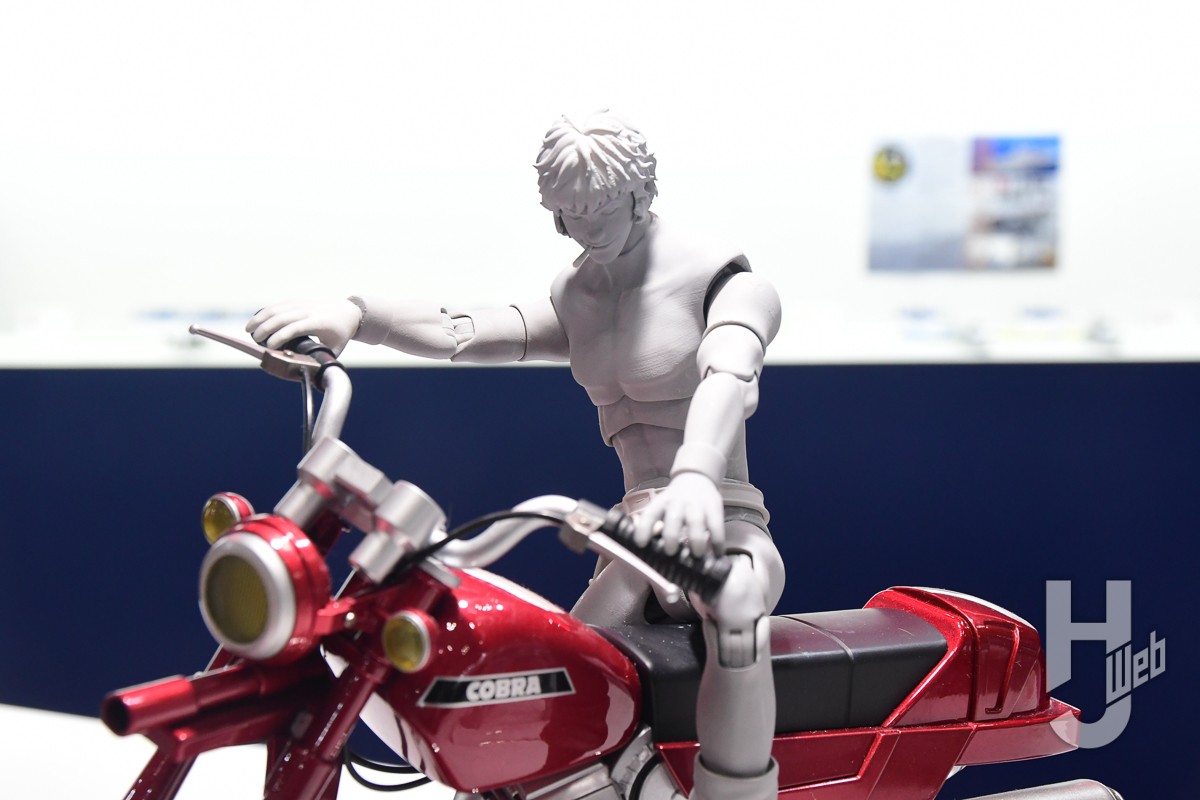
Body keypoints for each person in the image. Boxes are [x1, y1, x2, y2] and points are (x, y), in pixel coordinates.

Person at [247, 111, 784, 800]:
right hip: (631, 533)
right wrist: (357, 315)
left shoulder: (723, 281)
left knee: (736, 604)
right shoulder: (581, 294)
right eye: (568, 212)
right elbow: (466, 331)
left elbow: (729, 378)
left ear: (639, 191)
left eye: (597, 208)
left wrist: (696, 478)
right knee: (561, 670)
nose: (584, 228)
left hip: (719, 519)